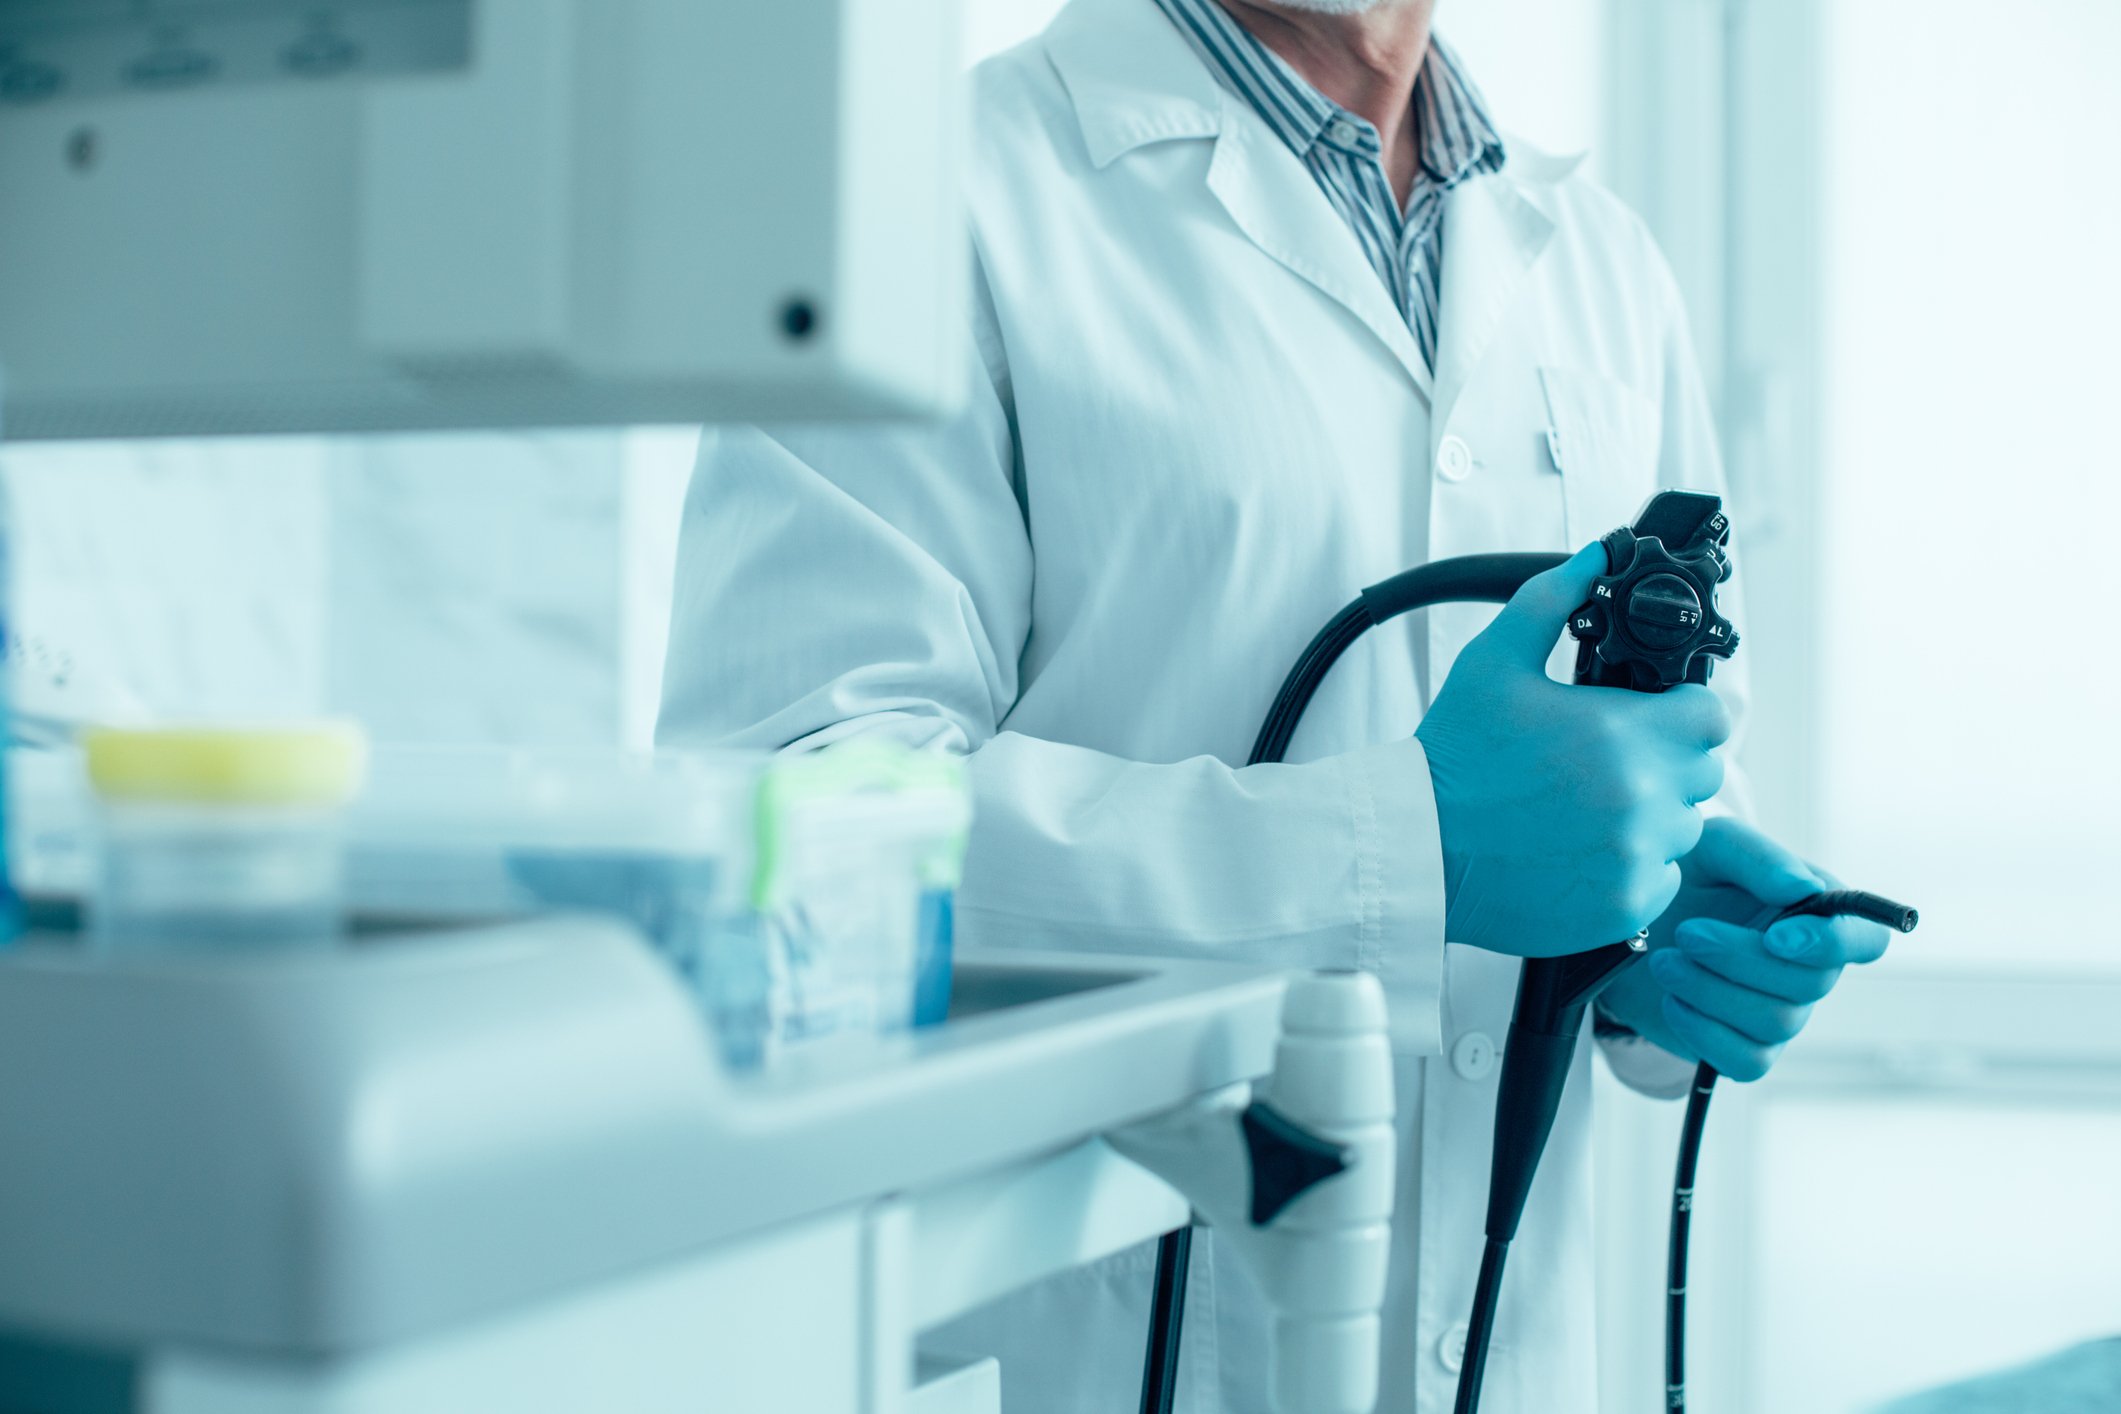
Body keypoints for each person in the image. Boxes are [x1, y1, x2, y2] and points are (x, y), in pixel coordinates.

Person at [658, 0, 1892, 1407]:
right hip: (1101, 1346)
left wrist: (1640, 932)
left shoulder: (1600, 261)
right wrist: (1410, 856)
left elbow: (1639, 761)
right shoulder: (913, 200)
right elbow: (785, 847)